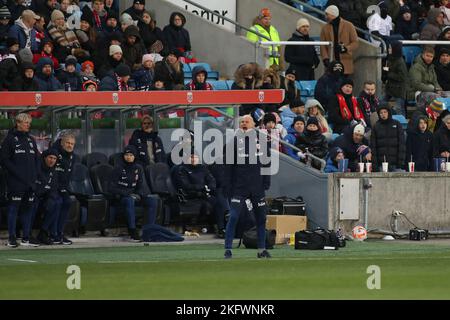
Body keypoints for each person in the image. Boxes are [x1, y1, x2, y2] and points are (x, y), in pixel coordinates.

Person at [223, 115, 272, 259]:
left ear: (253, 124)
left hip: (257, 187)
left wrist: (266, 182)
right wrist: (227, 186)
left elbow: (267, 164)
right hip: (239, 187)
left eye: (247, 121)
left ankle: (261, 249)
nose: (244, 124)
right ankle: (228, 249)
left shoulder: (262, 142)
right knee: (233, 217)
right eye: (242, 122)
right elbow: (227, 168)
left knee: (261, 218)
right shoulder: (232, 143)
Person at [0, 113, 40, 247]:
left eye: (29, 123)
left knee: (28, 210)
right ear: (18, 123)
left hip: (30, 183)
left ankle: (26, 238)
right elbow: (4, 160)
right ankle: (11, 238)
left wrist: (35, 177)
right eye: (25, 123)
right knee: (13, 209)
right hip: (16, 182)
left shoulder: (31, 140)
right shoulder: (10, 139)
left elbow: (36, 160)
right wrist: (17, 174)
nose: (28, 125)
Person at [108, 145, 157, 241]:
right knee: (129, 200)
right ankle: (132, 231)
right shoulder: (118, 168)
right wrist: (126, 193)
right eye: (126, 155)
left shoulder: (138, 168)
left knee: (152, 201)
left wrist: (139, 194)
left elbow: (140, 185)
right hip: (122, 197)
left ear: (134, 156)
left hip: (134, 196)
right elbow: (110, 188)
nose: (129, 157)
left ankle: (148, 229)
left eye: (131, 155)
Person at [53, 133, 79, 245]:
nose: (70, 146)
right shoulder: (54, 153)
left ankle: (60, 233)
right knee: (57, 203)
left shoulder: (73, 157)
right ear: (62, 143)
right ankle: (53, 233)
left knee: (67, 202)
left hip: (63, 187)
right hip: (52, 187)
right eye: (68, 143)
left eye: (72, 144)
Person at [320, 5, 359, 75]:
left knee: (344, 84)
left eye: (327, 14)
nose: (325, 16)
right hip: (331, 62)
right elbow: (323, 45)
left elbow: (355, 43)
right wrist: (325, 58)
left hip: (345, 62)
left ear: (332, 14)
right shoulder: (325, 28)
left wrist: (346, 48)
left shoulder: (349, 25)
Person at [33, 148, 60, 245]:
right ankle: (28, 234)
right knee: (33, 202)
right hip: (34, 197)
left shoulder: (54, 171)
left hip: (44, 198)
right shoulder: (37, 168)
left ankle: (43, 232)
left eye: (54, 158)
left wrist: (51, 197)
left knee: (56, 202)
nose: (52, 160)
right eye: (50, 157)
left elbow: (53, 188)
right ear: (44, 158)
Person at [370, 104, 406, 171]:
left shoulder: (397, 124)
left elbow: (402, 144)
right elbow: (373, 147)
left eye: (385, 112)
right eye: (381, 113)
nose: (383, 114)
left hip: (396, 164)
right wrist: (375, 165)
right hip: (382, 165)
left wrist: (401, 162)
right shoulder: (376, 127)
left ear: (388, 112)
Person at [385, 41, 409, 116]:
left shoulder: (400, 62)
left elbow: (402, 77)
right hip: (391, 87)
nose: (388, 49)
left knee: (399, 109)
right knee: (382, 103)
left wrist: (389, 73)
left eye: (390, 48)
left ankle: (403, 124)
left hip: (399, 89)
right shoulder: (390, 58)